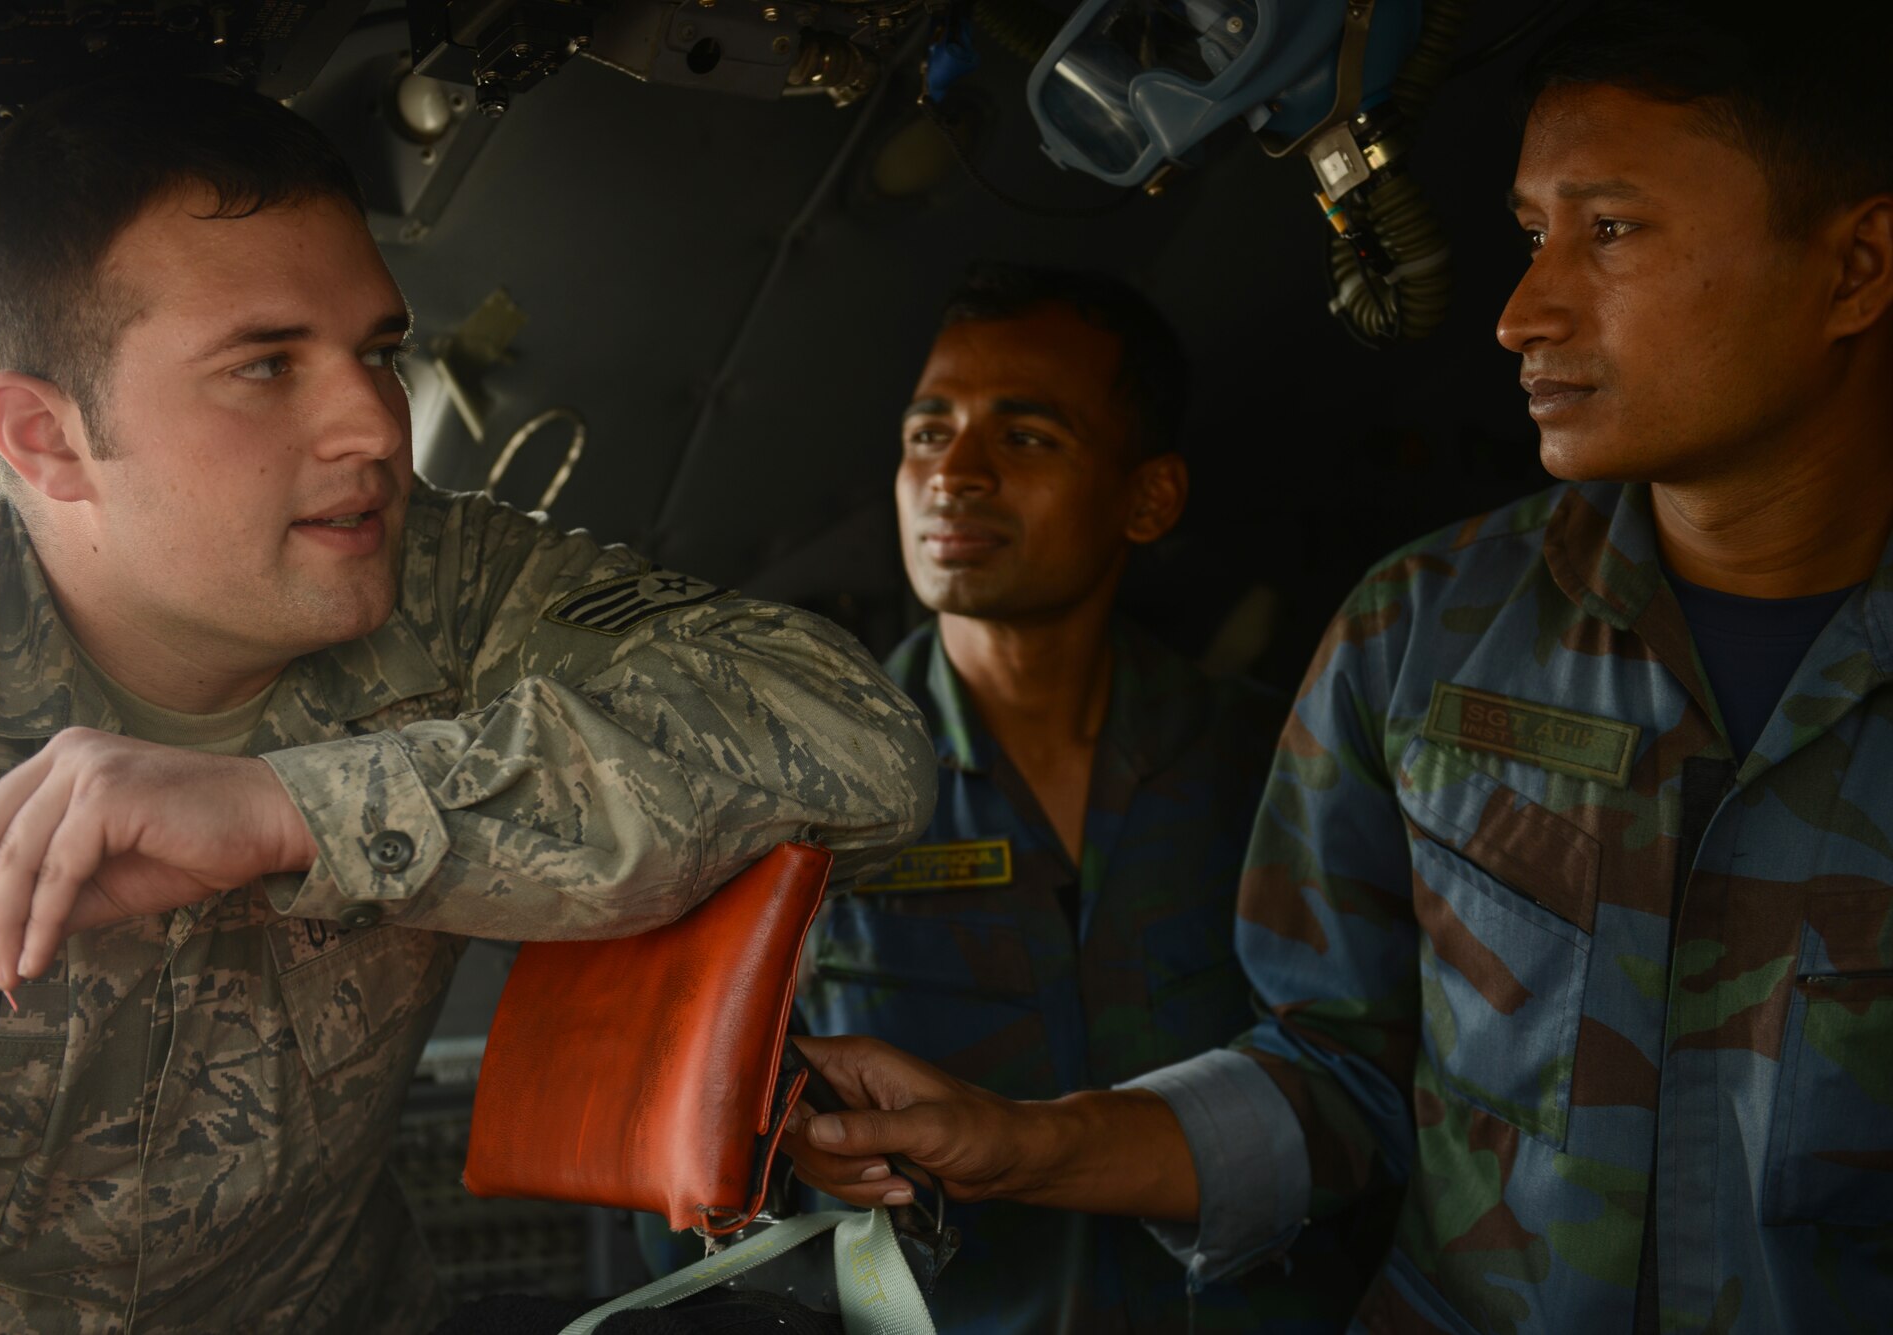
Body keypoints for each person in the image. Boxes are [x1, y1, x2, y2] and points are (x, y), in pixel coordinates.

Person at [782, 3, 1893, 1331]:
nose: (1521, 311)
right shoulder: (1420, 633)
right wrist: (1030, 1140)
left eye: (1610, 231)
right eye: (1534, 236)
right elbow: (1335, 1067)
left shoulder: (1235, 725)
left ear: (1856, 266)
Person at [0, 77, 934, 1332]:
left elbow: (855, 746)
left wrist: (297, 810)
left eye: (379, 354)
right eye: (264, 365)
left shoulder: (450, 590)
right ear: (42, 436)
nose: (374, 429)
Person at [787, 265, 1381, 1333]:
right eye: (928, 434)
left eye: (1023, 438)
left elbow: (1372, 1100)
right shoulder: (797, 793)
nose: (953, 474)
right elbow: (699, 1179)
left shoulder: (1279, 761)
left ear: (1146, 498)